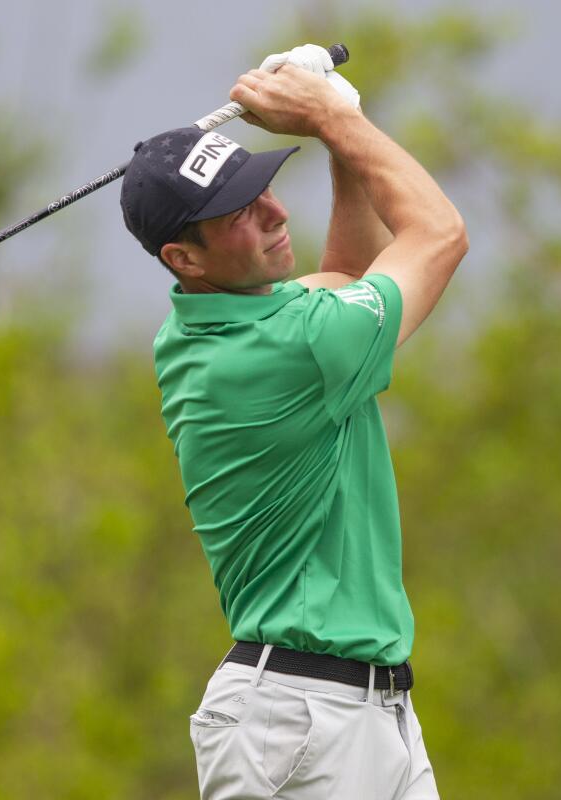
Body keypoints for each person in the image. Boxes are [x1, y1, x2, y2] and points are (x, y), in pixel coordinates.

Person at [119, 44, 468, 800]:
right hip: (301, 724)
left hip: (361, 717)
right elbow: (439, 235)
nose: (276, 212)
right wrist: (334, 120)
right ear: (185, 257)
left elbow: (345, 278)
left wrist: (344, 129)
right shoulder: (290, 346)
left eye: (263, 189)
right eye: (239, 214)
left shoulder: (213, 328)